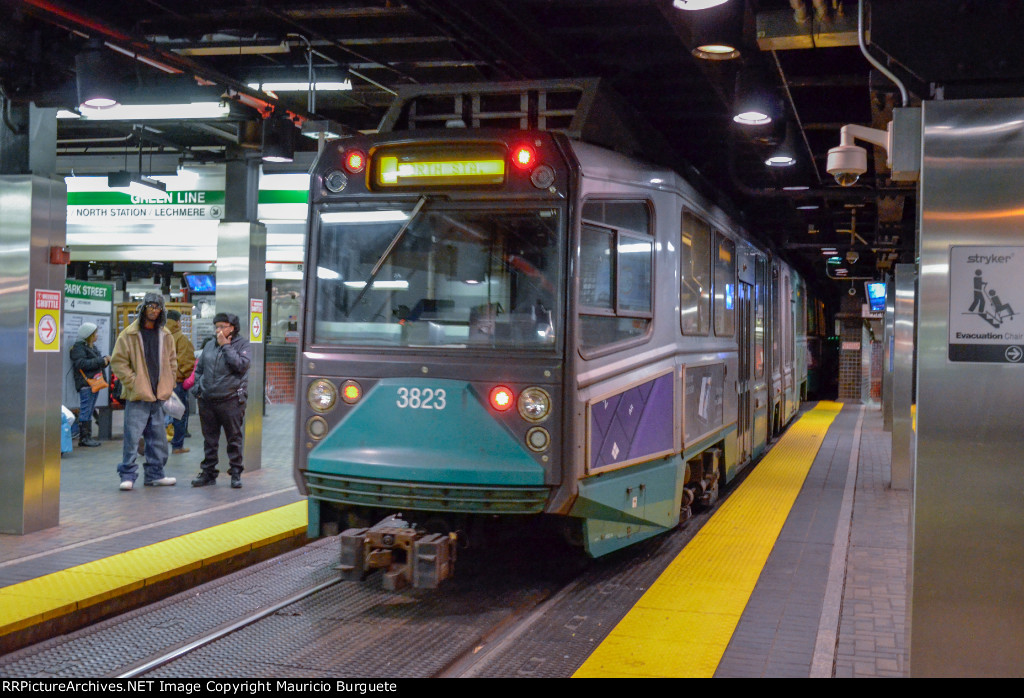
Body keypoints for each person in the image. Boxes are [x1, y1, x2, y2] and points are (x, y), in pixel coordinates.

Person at [109, 293, 177, 491]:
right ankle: (128, 475)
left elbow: (173, 361)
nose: (154, 310)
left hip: (158, 395)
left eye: (158, 307)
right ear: (143, 308)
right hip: (138, 396)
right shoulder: (128, 334)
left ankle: (155, 474)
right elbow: (118, 361)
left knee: (158, 439)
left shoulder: (165, 335)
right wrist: (134, 382)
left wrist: (169, 382)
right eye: (151, 306)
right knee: (132, 438)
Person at [191, 312, 251, 489]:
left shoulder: (242, 345)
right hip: (207, 400)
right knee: (209, 440)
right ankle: (208, 473)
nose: (218, 330)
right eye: (216, 326)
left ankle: (235, 473)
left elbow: (240, 365)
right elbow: (199, 368)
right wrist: (198, 388)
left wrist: (226, 346)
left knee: (234, 438)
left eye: (222, 326)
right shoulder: (209, 345)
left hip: (231, 400)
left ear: (232, 328)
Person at [70, 322, 109, 448]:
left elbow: (94, 363)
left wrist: (104, 361)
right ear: (89, 335)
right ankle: (84, 438)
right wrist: (101, 360)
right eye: (95, 333)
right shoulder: (79, 348)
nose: (97, 335)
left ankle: (87, 436)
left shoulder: (91, 347)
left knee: (89, 409)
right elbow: (81, 364)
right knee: (86, 410)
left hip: (94, 383)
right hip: (86, 383)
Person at [165, 310, 195, 454]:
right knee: (179, 415)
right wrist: (186, 378)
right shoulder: (180, 339)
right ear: (178, 322)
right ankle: (177, 446)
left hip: (159, 382)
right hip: (176, 383)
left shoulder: (160, 335)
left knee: (158, 414)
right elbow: (186, 362)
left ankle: (149, 443)